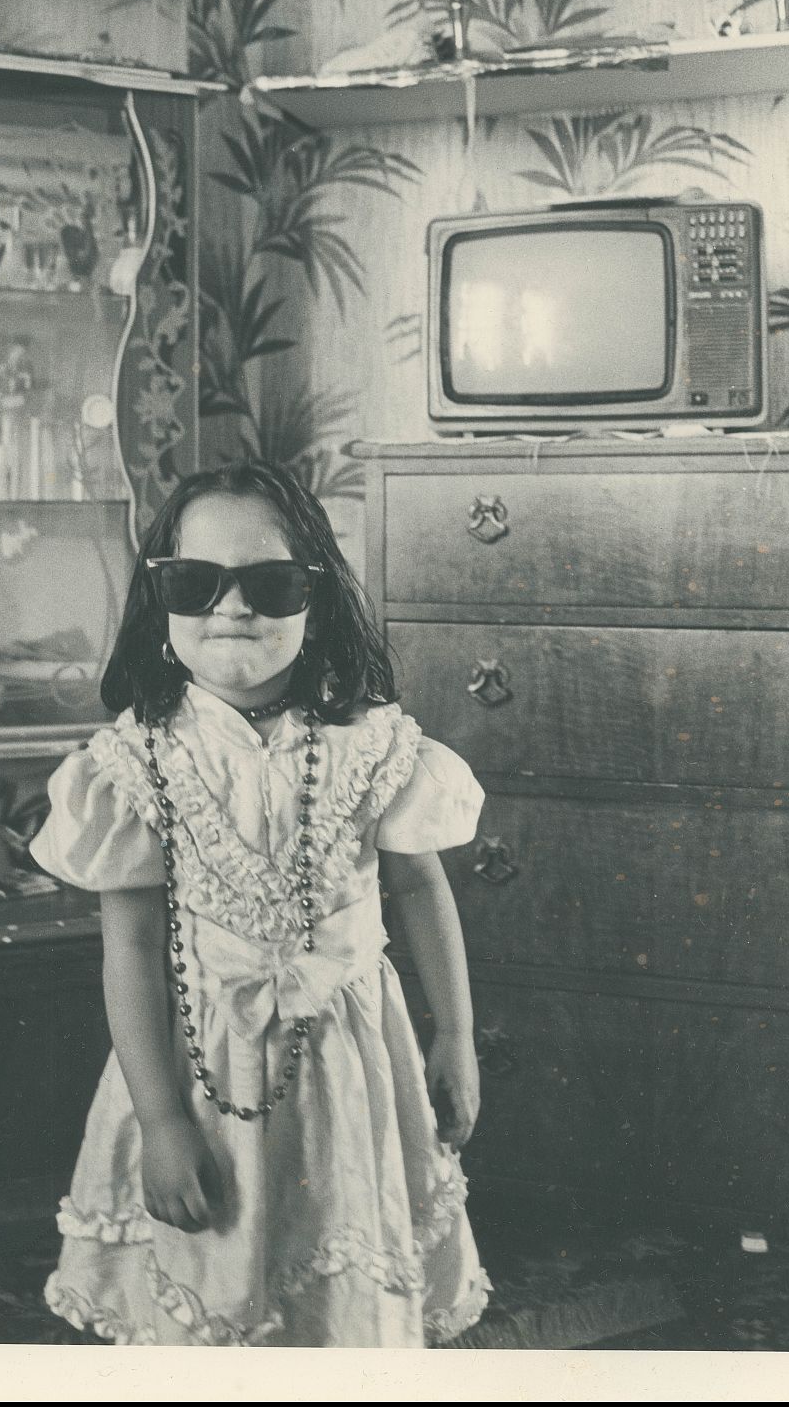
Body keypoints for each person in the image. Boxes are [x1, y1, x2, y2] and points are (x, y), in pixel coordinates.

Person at [30, 458, 490, 1347]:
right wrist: (161, 1122)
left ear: (313, 601)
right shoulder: (133, 768)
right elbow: (127, 950)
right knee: (214, 1288)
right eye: (197, 583)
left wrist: (457, 1036)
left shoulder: (372, 746)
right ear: (160, 603)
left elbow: (423, 888)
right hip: (201, 1070)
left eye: (270, 583)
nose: (233, 609)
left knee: (345, 1285)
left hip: (355, 1069)